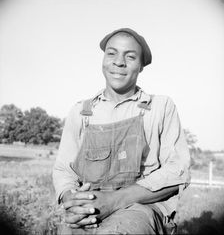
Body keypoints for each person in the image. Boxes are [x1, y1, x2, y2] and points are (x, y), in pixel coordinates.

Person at [53, 28, 191, 235]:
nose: (119, 62)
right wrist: (71, 199)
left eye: (130, 56)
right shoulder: (82, 112)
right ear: (103, 59)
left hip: (141, 209)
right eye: (112, 53)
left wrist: (114, 200)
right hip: (91, 205)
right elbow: (64, 169)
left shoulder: (160, 107)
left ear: (141, 66)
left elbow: (177, 171)